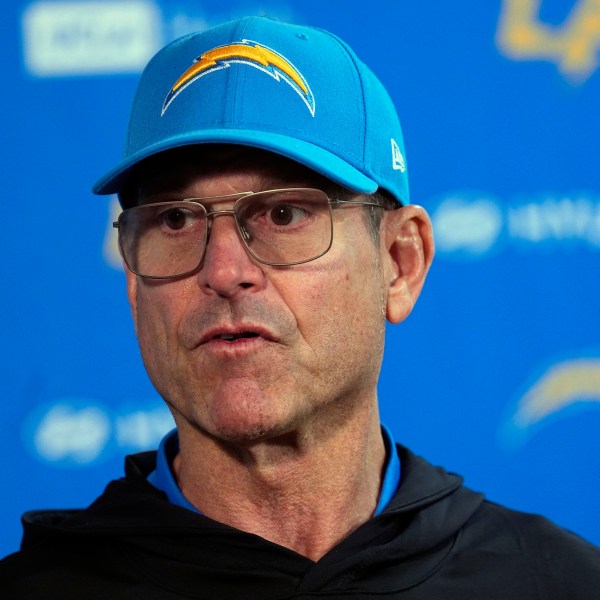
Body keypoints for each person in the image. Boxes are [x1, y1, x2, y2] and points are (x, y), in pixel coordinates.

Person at [1, 16, 599, 599]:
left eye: (284, 214)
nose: (225, 272)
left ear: (399, 262)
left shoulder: (561, 584)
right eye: (177, 219)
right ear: (134, 287)